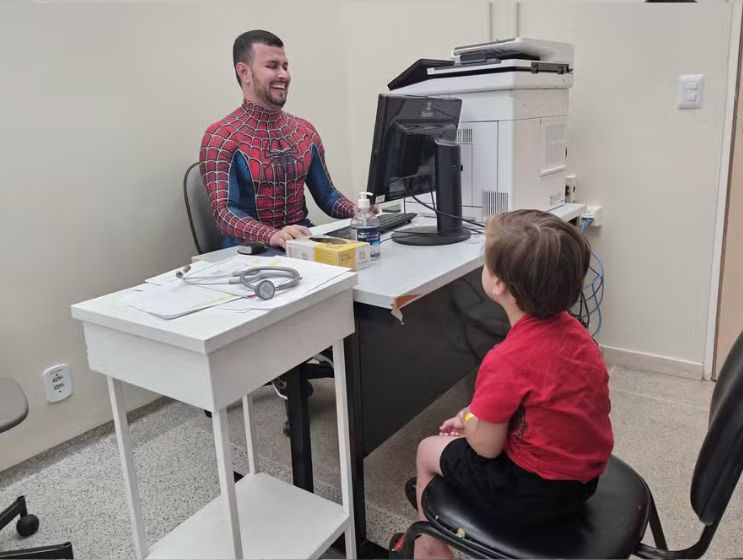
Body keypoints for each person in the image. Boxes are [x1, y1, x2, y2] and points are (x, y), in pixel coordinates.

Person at [391, 209, 614, 559]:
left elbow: (486, 448)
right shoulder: (580, 338)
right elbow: (538, 406)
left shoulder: (506, 358)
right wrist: (473, 412)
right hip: (581, 484)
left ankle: (431, 549)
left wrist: (468, 422)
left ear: (498, 284)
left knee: (426, 450)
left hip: (530, 495)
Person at [200, 30, 358, 249]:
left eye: (285, 66)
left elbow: (328, 195)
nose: (283, 74)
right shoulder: (221, 136)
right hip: (246, 253)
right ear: (244, 72)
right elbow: (224, 213)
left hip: (301, 242)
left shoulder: (304, 131)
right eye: (272, 66)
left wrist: (359, 211)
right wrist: (271, 235)